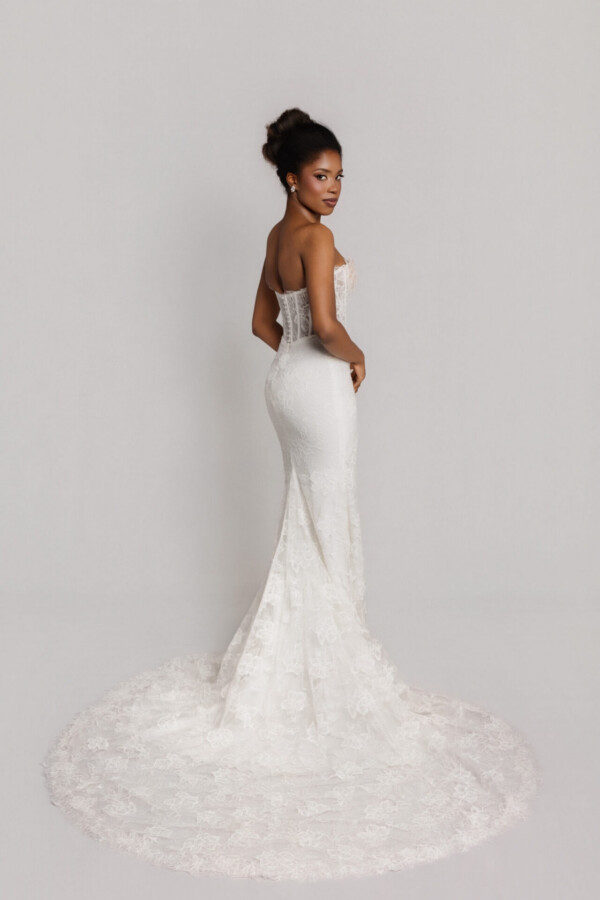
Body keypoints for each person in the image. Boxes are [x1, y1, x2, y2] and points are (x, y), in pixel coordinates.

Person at [43, 107, 542, 882]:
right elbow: (331, 324)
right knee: (328, 517)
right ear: (289, 177)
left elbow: (258, 322)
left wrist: (299, 364)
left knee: (305, 521)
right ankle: (337, 661)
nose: (335, 188)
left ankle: (321, 645)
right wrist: (350, 356)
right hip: (320, 390)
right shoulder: (310, 238)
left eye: (341, 176)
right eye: (321, 175)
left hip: (284, 386)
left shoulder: (276, 239)